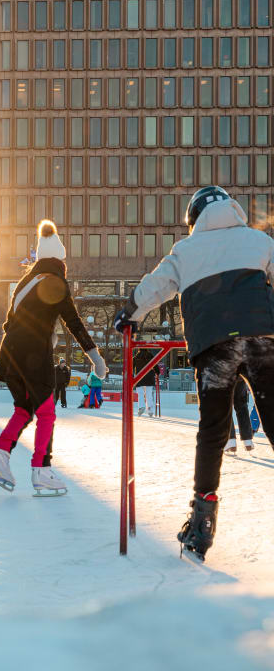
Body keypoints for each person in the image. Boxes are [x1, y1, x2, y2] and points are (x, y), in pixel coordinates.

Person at [113, 186, 274, 560]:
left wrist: (129, 314)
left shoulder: (184, 251)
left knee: (213, 431)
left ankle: (202, 526)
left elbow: (155, 287)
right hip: (261, 336)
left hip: (214, 343)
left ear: (194, 219)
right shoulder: (258, 239)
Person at [0, 221, 107, 496]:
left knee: (24, 410)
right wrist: (95, 358)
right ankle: (41, 469)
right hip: (32, 356)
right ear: (59, 260)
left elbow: (9, 324)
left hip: (10, 355)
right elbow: (74, 323)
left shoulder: (25, 282)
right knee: (47, 413)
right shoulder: (55, 281)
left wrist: (42, 333)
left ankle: (0, 455)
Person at [225, 378, 254, 454]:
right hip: (240, 376)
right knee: (242, 407)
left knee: (225, 407)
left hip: (224, 375)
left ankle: (231, 440)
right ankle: (248, 441)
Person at [134, 348, 160, 416]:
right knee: (149, 394)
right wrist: (157, 372)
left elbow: (131, 367)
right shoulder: (150, 356)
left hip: (139, 377)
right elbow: (155, 366)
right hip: (149, 377)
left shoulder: (136, 357)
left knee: (140, 393)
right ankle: (150, 409)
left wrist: (131, 375)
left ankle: (141, 407)